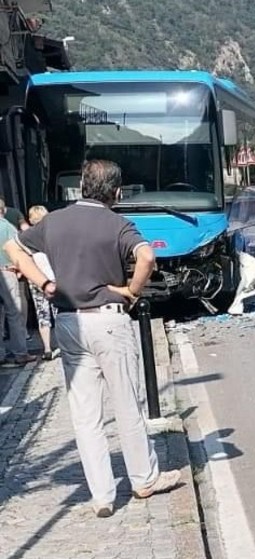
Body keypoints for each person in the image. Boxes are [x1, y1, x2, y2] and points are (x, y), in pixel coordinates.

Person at [4, 159, 181, 518]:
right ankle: (144, 479)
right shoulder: (117, 223)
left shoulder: (53, 221)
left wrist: (46, 284)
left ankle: (102, 495)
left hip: (68, 322)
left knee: (86, 415)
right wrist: (131, 290)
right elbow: (146, 256)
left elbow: (14, 249)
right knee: (127, 404)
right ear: (116, 192)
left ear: (82, 187)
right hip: (109, 321)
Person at [0, 200, 34, 368]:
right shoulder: (7, 227)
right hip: (7, 273)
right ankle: (21, 353)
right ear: (3, 210)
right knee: (14, 314)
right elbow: (21, 249)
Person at [26, 205, 56, 361]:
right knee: (60, 313)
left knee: (42, 314)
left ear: (31, 219)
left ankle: (47, 348)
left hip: (36, 279)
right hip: (54, 278)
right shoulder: (52, 235)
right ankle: (65, 345)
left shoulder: (26, 237)